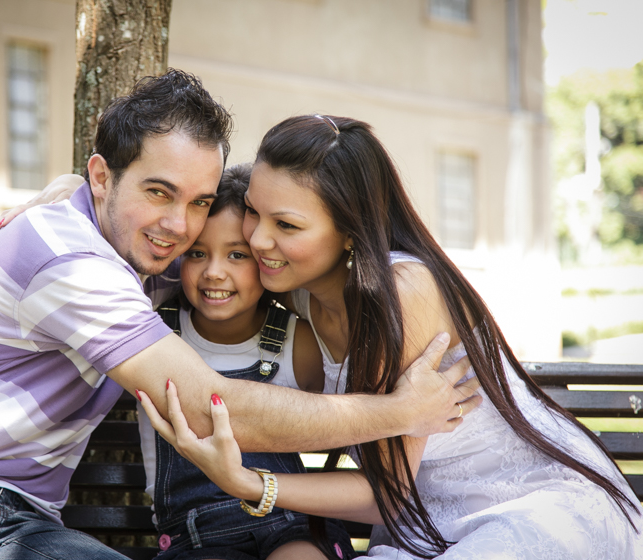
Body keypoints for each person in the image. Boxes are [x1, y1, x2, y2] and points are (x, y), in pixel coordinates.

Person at [0, 73, 479, 560]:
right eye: (159, 192)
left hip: (25, 523)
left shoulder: (152, 271)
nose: (178, 227)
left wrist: (64, 187)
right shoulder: (66, 258)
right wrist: (397, 413)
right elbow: (211, 403)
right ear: (102, 178)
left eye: (197, 201)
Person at [139, 115, 643, 559]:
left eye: (287, 225)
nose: (258, 238)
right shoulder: (295, 291)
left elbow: (388, 495)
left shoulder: (402, 292)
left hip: (530, 510)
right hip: (426, 523)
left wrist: (250, 484)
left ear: (351, 231)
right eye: (254, 210)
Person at [138, 163, 356, 559]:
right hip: (197, 536)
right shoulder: (150, 333)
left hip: (290, 523)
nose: (214, 273)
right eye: (197, 253)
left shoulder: (298, 341)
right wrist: (67, 189)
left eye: (237, 254)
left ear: (265, 259)